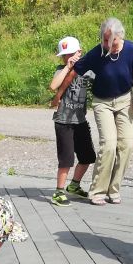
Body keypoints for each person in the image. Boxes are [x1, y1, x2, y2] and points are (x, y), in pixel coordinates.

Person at [73, 18, 133, 205]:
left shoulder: (131, 50)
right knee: (109, 145)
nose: (108, 45)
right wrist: (71, 63)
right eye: (105, 40)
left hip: (125, 100)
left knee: (127, 144)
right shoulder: (97, 53)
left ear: (120, 36)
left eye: (112, 41)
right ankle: (97, 191)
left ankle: (114, 189)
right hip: (102, 102)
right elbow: (77, 68)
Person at [48, 36, 96, 206]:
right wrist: (68, 67)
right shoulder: (61, 70)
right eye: (64, 55)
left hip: (80, 120)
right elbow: (53, 86)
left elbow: (99, 79)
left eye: (71, 54)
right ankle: (59, 192)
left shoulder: (88, 71)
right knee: (66, 159)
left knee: (88, 156)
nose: (67, 58)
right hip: (63, 121)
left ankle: (74, 185)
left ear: (79, 52)